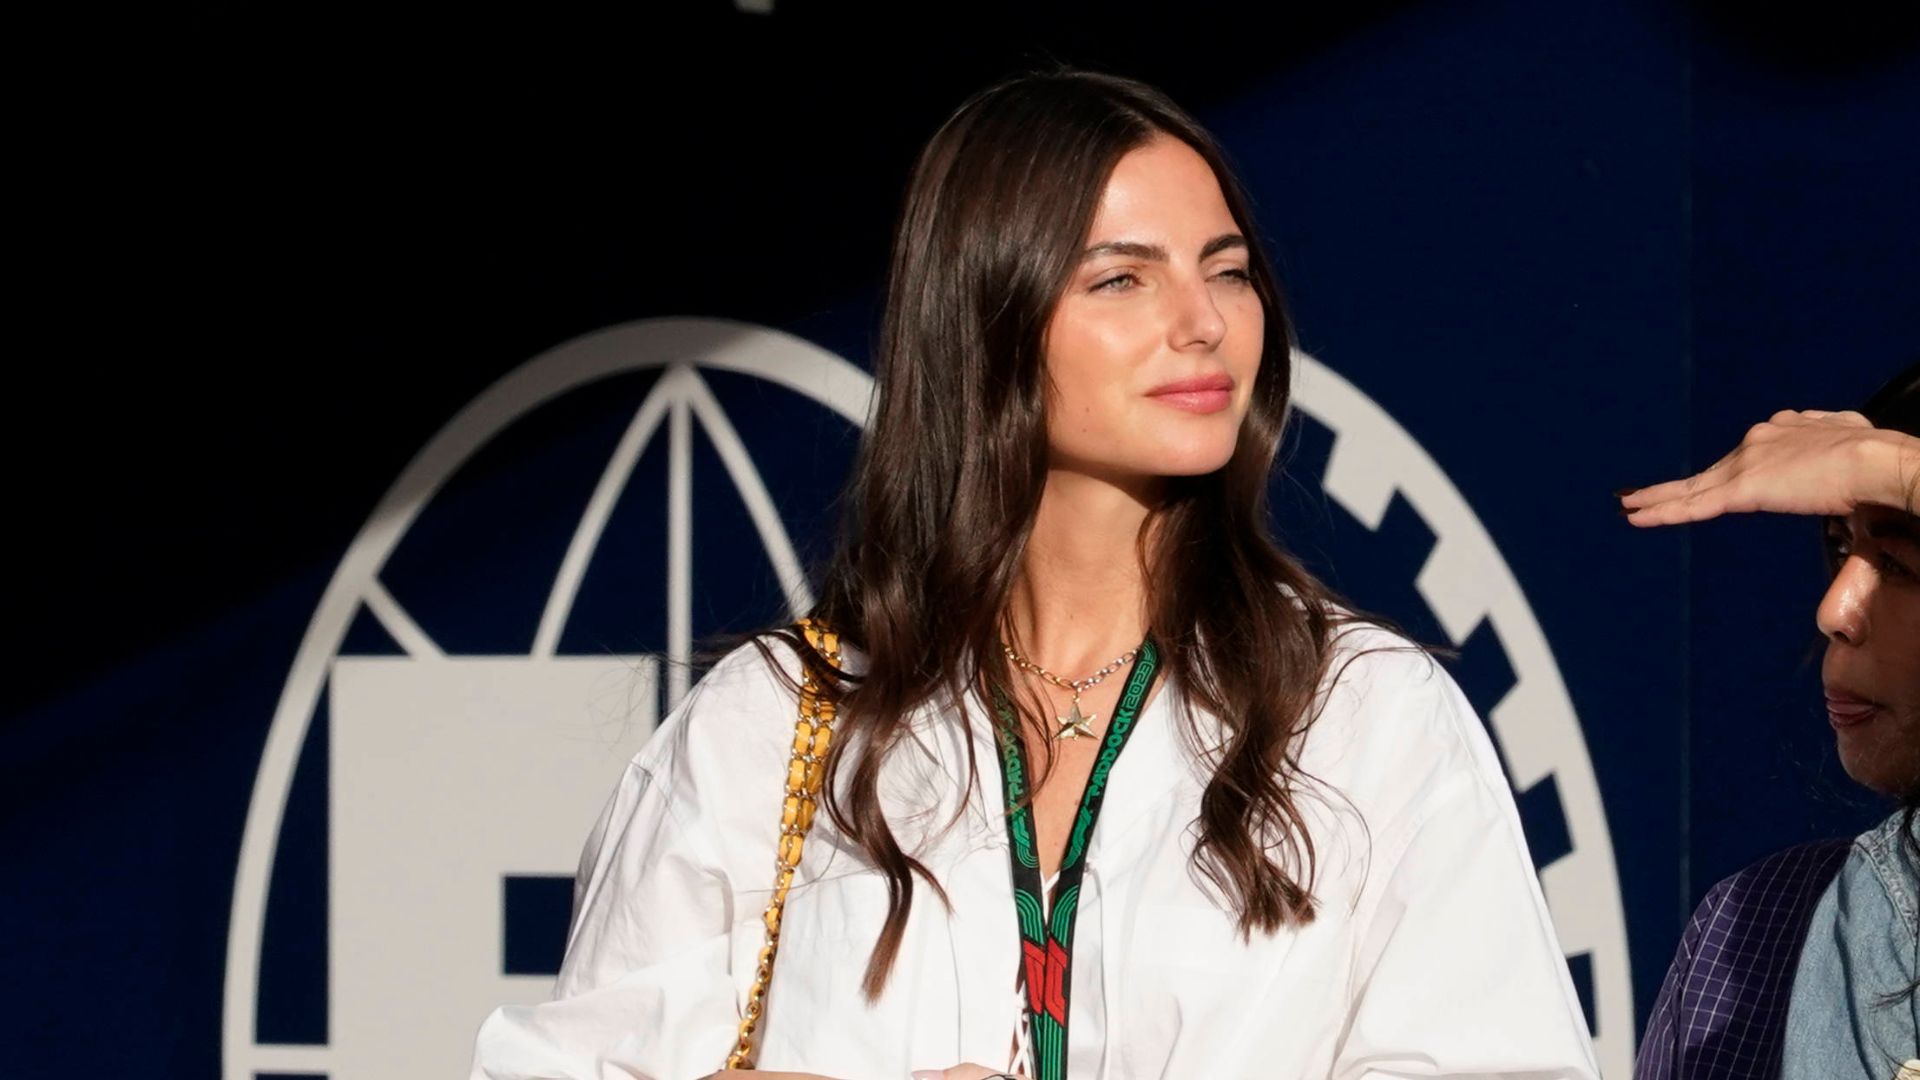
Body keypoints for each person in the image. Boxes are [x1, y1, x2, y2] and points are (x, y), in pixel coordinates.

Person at [471, 68, 1598, 1080]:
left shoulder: (1365, 717)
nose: (1203, 323)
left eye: (1229, 271)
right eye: (1122, 280)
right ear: (987, 320)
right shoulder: (775, 722)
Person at [1624, 361, 1920, 1079]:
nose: (1834, 612)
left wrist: (1893, 467)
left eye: (1904, 565)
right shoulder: (1750, 927)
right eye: (1840, 549)